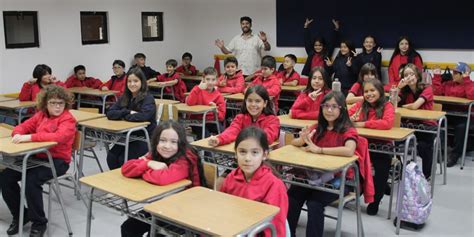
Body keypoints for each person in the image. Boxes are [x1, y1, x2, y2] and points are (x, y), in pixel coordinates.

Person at [1, 85, 76, 237]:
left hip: (57, 160)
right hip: (37, 156)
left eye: (60, 103)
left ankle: (39, 222)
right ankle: (21, 215)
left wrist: (29, 137)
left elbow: (58, 137)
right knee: (6, 177)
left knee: (31, 181)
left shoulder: (68, 119)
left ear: (65, 104)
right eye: (53, 103)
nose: (57, 106)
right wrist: (17, 133)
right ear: (45, 103)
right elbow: (24, 126)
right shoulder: (41, 115)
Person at [288, 91, 360, 237]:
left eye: (334, 107)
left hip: (337, 180)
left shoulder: (348, 128)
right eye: (326, 106)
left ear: (342, 109)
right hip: (314, 176)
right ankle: (289, 234)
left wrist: (319, 150)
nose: (329, 110)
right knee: (292, 197)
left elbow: (349, 150)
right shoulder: (318, 126)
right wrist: (302, 139)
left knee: (314, 204)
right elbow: (294, 143)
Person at [120, 121, 205, 237]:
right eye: (163, 140)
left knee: (154, 234)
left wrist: (143, 169)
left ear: (180, 144)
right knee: (128, 228)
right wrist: (149, 164)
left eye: (173, 142)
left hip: (185, 210)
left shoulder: (186, 158)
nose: (167, 146)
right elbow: (126, 168)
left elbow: (162, 178)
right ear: (156, 141)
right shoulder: (156, 153)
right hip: (161, 205)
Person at [220, 126, 288, 237]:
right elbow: (222, 212)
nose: (247, 158)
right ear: (235, 153)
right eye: (242, 152)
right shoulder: (231, 178)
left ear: (264, 155)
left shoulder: (274, 185)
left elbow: (275, 228)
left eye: (255, 152)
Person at [348, 79, 394, 215]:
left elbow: (387, 123)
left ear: (380, 91)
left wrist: (363, 124)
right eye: (366, 91)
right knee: (354, 165)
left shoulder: (388, 105)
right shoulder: (361, 104)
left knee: (381, 169)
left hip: (382, 147)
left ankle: (376, 200)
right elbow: (345, 116)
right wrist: (351, 119)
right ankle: (357, 192)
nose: (369, 94)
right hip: (362, 146)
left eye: (372, 90)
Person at [106, 67, 157, 169]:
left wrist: (124, 116)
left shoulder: (148, 98)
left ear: (142, 82)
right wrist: (127, 112)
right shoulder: (125, 97)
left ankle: (126, 182)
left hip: (144, 137)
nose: (132, 84)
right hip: (128, 136)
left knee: (123, 159)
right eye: (129, 81)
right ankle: (117, 183)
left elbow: (143, 116)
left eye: (135, 81)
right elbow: (110, 113)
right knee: (111, 157)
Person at [208, 85, 280, 147]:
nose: (253, 104)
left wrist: (245, 139)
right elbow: (232, 131)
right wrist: (219, 139)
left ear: (265, 103)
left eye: (257, 101)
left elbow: (268, 137)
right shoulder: (240, 118)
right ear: (245, 102)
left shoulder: (273, 120)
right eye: (250, 101)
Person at [432, 62, 474, 167]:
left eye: (456, 72)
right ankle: (441, 150)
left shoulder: (471, 84)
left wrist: (467, 80)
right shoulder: (448, 84)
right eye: (453, 72)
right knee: (438, 122)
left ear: (463, 74)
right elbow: (436, 92)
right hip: (449, 114)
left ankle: (455, 154)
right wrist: (437, 77)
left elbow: (471, 96)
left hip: (464, 116)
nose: (453, 74)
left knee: (461, 127)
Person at [397, 63, 434, 178]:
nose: (409, 77)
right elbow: (391, 106)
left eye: (411, 74)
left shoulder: (427, 88)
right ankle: (400, 169)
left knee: (423, 147)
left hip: (426, 125)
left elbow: (415, 106)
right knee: (392, 142)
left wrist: (403, 106)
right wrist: (399, 88)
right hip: (410, 125)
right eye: (406, 75)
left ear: (417, 75)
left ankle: (427, 175)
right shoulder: (404, 91)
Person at [186, 67, 226, 139]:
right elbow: (189, 103)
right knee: (206, 136)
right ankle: (205, 150)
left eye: (213, 80)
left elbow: (222, 117)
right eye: (208, 79)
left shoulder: (219, 95)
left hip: (211, 121)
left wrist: (216, 110)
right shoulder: (197, 90)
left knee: (225, 133)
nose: (210, 82)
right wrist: (198, 88)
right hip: (197, 121)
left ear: (217, 80)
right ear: (203, 79)